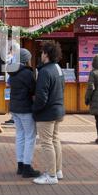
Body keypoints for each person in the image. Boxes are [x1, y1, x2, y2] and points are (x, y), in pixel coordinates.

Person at [32, 41, 65, 185]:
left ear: (46, 54)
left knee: (46, 143)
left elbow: (41, 96)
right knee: (55, 140)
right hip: (58, 109)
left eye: (42, 52)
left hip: (47, 113)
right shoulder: (58, 68)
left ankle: (51, 175)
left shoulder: (45, 72)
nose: (41, 55)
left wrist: (35, 109)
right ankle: (57, 170)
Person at [8, 48, 40, 178]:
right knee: (30, 137)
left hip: (14, 108)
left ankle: (20, 165)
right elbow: (33, 90)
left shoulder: (12, 71)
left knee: (20, 136)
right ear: (26, 60)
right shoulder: (27, 73)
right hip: (25, 108)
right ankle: (27, 167)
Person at [3, 40, 21, 126]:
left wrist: (9, 82)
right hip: (12, 82)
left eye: (11, 49)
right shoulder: (14, 58)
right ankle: (13, 118)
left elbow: (12, 71)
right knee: (11, 100)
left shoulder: (15, 59)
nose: (10, 51)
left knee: (13, 100)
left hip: (13, 83)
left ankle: (14, 118)